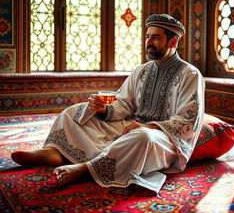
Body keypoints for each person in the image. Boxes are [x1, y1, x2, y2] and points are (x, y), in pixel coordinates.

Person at [11, 14, 205, 193]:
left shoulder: (190, 74)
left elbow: (188, 120)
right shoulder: (142, 70)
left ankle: (85, 168)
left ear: (173, 41)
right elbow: (125, 103)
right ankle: (54, 152)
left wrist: (148, 126)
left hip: (161, 139)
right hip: (131, 127)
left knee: (142, 137)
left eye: (155, 38)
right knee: (75, 111)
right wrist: (104, 109)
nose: (148, 42)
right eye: (147, 36)